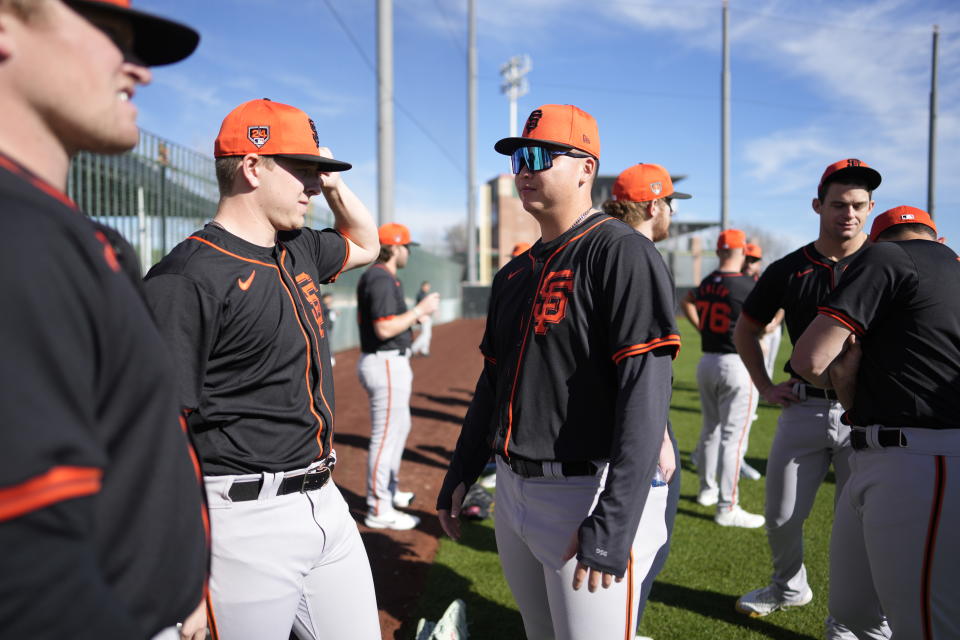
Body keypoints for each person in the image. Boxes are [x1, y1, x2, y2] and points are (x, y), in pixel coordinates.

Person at [0, 1, 208, 638]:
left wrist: (179, 582)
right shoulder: (18, 236)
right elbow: (25, 577)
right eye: (112, 36)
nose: (140, 71)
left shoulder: (53, 227)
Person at [437, 105, 680, 640]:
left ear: (586, 168)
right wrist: (462, 469)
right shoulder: (514, 272)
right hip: (514, 490)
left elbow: (646, 392)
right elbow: (492, 384)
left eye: (541, 156)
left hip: (588, 492)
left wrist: (614, 521)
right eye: (519, 157)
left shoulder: (621, 251)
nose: (525, 168)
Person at [143, 98, 381, 640]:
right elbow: (155, 431)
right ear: (252, 167)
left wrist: (330, 175)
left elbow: (367, 242)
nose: (315, 187)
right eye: (302, 171)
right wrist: (185, 566)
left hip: (326, 502)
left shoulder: (295, 248)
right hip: (240, 520)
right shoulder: (186, 276)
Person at [732, 159, 889, 638]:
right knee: (780, 516)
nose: (850, 214)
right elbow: (746, 329)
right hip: (803, 405)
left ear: (871, 208)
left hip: (865, 414)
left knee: (863, 529)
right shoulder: (791, 267)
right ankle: (788, 586)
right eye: (839, 204)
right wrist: (762, 386)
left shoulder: (885, 263)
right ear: (818, 205)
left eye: (860, 205)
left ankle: (856, 620)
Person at [791, 206, 959, 638]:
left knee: (919, 625)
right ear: (938, 240)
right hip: (893, 450)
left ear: (876, 245)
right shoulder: (946, 269)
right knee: (855, 613)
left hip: (919, 459)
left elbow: (809, 361)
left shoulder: (886, 258)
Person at [601, 161, 691, 637]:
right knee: (644, 538)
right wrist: (656, 433)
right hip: (635, 418)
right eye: (671, 203)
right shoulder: (638, 252)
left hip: (600, 417)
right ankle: (621, 628)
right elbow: (637, 361)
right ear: (655, 204)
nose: (672, 213)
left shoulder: (594, 245)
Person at [357, 223, 440, 529]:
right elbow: (384, 328)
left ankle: (388, 492)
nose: (408, 252)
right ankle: (378, 507)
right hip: (385, 364)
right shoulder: (379, 277)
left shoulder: (385, 277)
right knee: (385, 438)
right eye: (406, 246)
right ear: (394, 247)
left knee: (399, 430)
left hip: (391, 362)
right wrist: (419, 311)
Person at [681, 229, 765, 528]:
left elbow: (686, 302)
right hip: (736, 363)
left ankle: (706, 490)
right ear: (742, 251)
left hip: (708, 361)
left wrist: (702, 327)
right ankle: (727, 506)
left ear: (718, 252)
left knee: (710, 431)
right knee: (733, 439)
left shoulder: (707, 282)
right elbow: (764, 328)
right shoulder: (747, 284)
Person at [410, 280, 435, 356]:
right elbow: (423, 307)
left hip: (426, 316)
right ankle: (413, 349)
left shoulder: (424, 294)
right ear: (423, 286)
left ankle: (424, 350)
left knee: (427, 334)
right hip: (424, 317)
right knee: (425, 334)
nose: (428, 287)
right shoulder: (421, 295)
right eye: (427, 286)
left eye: (428, 286)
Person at [320, 292, 337, 365]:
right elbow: (325, 311)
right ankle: (329, 358)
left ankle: (330, 357)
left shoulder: (328, 307)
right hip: (324, 329)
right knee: (326, 343)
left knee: (329, 343)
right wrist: (332, 311)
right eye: (328, 298)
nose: (330, 299)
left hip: (328, 328)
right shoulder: (322, 306)